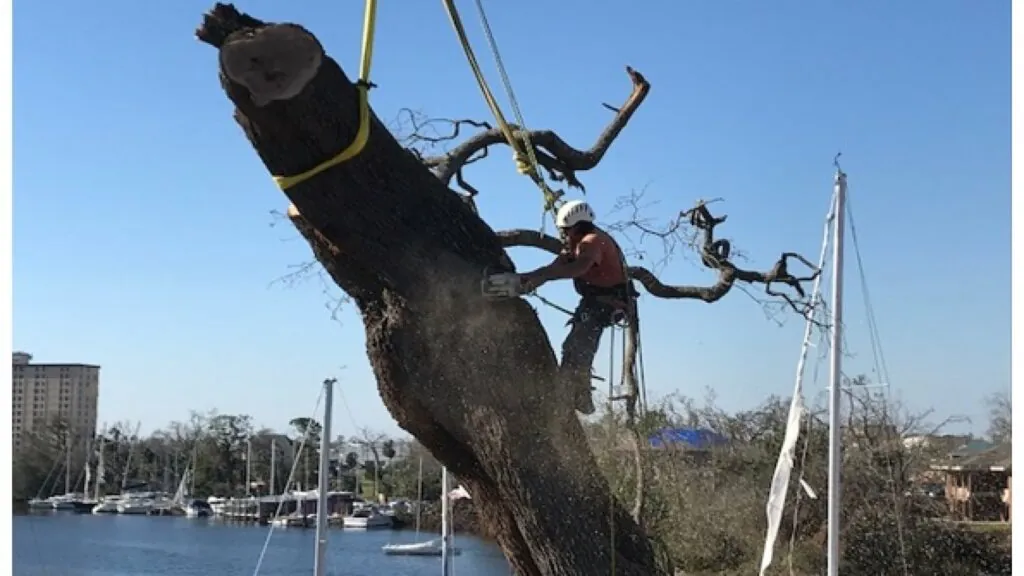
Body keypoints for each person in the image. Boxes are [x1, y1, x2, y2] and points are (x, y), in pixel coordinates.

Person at [518, 200, 637, 414]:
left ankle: (578, 395)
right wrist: (527, 279)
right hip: (593, 301)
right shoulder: (575, 243)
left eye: (566, 229)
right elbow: (553, 267)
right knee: (572, 346)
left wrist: (544, 276)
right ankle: (572, 391)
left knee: (578, 346)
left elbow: (578, 268)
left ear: (578, 225)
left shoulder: (592, 242)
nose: (564, 234)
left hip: (609, 302)